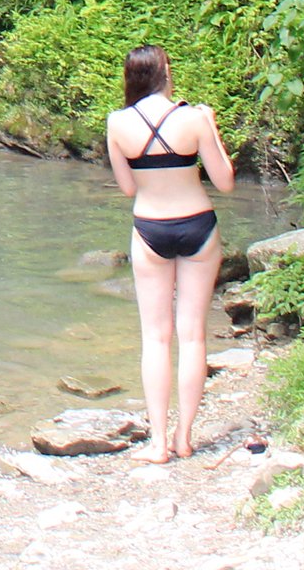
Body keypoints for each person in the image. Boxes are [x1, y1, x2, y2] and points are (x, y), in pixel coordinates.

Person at [105, 44, 236, 464]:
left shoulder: (117, 123)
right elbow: (225, 182)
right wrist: (211, 127)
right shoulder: (194, 118)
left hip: (150, 229)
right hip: (197, 225)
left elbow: (128, 189)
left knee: (155, 338)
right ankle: (184, 438)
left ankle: (158, 444)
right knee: (193, 333)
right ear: (165, 71)